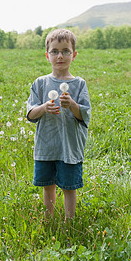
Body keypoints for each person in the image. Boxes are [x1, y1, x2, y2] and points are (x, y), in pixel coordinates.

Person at [27, 29, 91, 219]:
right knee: (48, 186)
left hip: (69, 147)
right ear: (47, 56)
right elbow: (30, 114)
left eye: (66, 51)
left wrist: (72, 105)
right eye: (54, 51)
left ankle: (69, 222)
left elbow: (84, 116)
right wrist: (44, 108)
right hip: (47, 145)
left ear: (74, 55)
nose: (60, 56)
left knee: (69, 186)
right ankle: (49, 218)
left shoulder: (79, 84)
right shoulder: (40, 83)